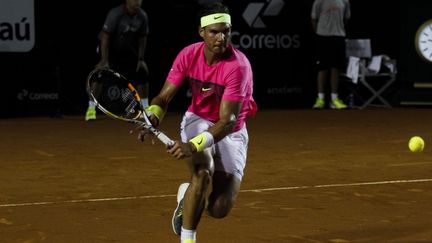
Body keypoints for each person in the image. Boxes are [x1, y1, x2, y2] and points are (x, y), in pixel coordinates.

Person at [138, 2, 257, 242]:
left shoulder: (239, 67)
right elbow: (164, 97)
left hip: (231, 130)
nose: (221, 38)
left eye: (226, 31)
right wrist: (153, 116)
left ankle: (186, 196)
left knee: (219, 208)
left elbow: (228, 121)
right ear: (201, 32)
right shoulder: (188, 55)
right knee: (203, 173)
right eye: (214, 32)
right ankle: (188, 238)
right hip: (199, 120)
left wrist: (191, 146)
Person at [85, 0, 150, 121]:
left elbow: (142, 38)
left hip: (127, 49)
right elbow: (105, 37)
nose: (138, 3)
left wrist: (141, 59)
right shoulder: (115, 14)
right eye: (135, 0)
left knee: (142, 73)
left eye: (140, 0)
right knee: (100, 75)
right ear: (128, 1)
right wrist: (104, 59)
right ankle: (91, 109)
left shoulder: (142, 16)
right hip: (108, 48)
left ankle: (145, 109)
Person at [311, 0, 351, 109]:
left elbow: (346, 19)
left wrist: (337, 30)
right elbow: (314, 19)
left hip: (338, 37)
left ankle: (334, 100)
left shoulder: (345, 1)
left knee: (336, 68)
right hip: (323, 37)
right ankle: (320, 99)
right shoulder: (319, 1)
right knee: (322, 68)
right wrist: (321, 33)